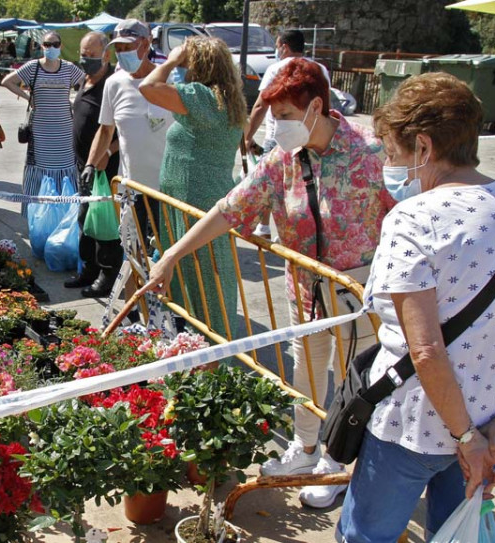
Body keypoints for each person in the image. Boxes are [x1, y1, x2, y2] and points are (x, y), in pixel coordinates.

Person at [138, 59, 395, 508]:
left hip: (358, 289)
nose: (278, 127)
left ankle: (339, 461)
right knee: (308, 370)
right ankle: (305, 447)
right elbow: (229, 209)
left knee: (357, 377)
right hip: (303, 286)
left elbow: (406, 216)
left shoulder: (371, 152)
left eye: (287, 117)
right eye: (274, 117)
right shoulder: (281, 160)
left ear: (316, 107)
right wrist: (174, 257)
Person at [337, 72, 495, 541]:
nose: (388, 167)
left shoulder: (413, 219)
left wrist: (467, 438)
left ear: (424, 147)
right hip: (486, 421)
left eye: (392, 154)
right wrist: (493, 433)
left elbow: (427, 349)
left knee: (365, 536)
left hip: (411, 427)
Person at [139, 35, 246, 339]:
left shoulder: (202, 96)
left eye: (188, 63)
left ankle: (207, 350)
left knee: (199, 280)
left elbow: (148, 88)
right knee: (206, 277)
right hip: (200, 198)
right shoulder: (226, 99)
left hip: (192, 201)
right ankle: (203, 345)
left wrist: (171, 59)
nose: (182, 68)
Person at [82, 19, 173, 298]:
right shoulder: (113, 84)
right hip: (131, 190)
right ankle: (135, 312)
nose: (122, 53)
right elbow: (106, 128)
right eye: (117, 47)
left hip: (167, 190)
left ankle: (167, 310)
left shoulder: (166, 81)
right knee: (132, 253)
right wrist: (90, 163)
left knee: (166, 254)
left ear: (145, 45)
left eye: (127, 46)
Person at [244, 30, 330, 239]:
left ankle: (265, 227)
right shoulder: (321, 69)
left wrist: (248, 136)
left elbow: (259, 106)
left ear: (284, 46)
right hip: (311, 135)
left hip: (277, 138)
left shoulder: (276, 69)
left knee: (271, 186)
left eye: (284, 113)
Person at [1, 31, 85, 216]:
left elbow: (87, 84)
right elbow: (7, 81)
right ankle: (38, 215)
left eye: (55, 44)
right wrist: (28, 99)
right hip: (40, 130)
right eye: (47, 44)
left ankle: (65, 213)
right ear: (42, 46)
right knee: (39, 169)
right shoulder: (33, 67)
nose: (51, 48)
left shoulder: (69, 68)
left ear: (60, 46)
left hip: (64, 130)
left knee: (66, 169)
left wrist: (77, 102)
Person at [66, 31, 122, 297]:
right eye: (82, 55)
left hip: (104, 170)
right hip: (84, 166)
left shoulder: (112, 84)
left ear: (106, 55)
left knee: (104, 224)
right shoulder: (85, 80)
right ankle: (88, 268)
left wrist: (103, 158)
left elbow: (120, 133)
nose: (85, 60)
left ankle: (107, 275)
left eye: (90, 56)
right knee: (85, 220)